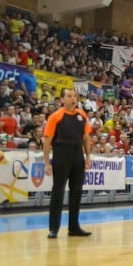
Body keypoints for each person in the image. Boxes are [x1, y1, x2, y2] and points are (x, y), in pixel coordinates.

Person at [43, 88, 93, 239]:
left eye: (75, 96)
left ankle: (74, 227)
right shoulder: (55, 117)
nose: (73, 99)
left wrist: (88, 156)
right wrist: (47, 162)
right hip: (61, 156)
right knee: (58, 192)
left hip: (78, 156)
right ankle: (54, 228)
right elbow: (47, 141)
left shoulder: (82, 115)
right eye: (69, 96)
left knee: (76, 192)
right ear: (62, 100)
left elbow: (86, 138)